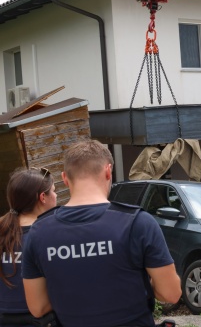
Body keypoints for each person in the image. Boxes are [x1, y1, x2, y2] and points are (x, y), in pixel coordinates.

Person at [22, 140, 182, 327]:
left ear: (65, 178)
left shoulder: (39, 231)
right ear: (108, 171)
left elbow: (38, 307)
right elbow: (171, 293)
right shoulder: (138, 222)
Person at [0, 168, 57, 326]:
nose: (57, 195)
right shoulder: (48, 236)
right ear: (42, 197)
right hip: (40, 319)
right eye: (53, 191)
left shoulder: (3, 230)